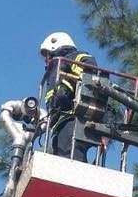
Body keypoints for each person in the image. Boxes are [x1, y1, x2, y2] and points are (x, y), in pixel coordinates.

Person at [39, 31, 99, 162]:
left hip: (73, 118)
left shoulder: (74, 57)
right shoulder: (56, 68)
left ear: (56, 48)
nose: (46, 59)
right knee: (63, 158)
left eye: (47, 54)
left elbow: (89, 71)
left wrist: (66, 88)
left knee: (69, 160)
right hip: (61, 122)